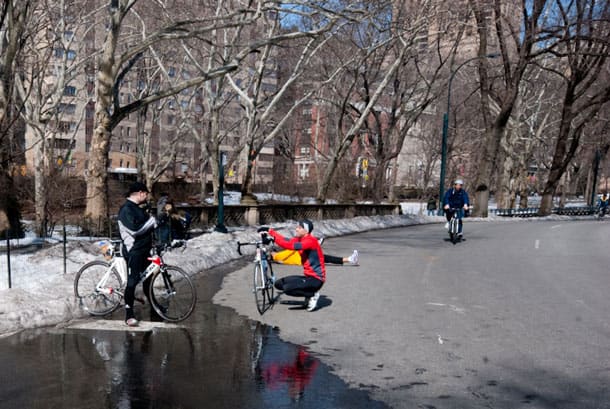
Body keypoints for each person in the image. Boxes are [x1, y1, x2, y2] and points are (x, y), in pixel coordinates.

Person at [259, 219, 325, 312]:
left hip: (316, 279)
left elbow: (289, 246)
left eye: (299, 227)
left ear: (306, 231)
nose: (296, 229)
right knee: (279, 284)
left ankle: (312, 295)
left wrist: (273, 237)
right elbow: (286, 240)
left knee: (287, 289)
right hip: (308, 277)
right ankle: (308, 295)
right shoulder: (300, 239)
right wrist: (270, 232)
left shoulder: (310, 241)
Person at [117, 181, 157, 327]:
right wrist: (152, 221)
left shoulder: (137, 208)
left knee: (148, 279)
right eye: (145, 193)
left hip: (144, 249)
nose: (146, 196)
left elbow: (147, 226)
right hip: (133, 250)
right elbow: (135, 229)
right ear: (140, 193)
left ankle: (155, 307)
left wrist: (156, 223)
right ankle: (129, 315)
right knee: (132, 282)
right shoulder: (126, 209)